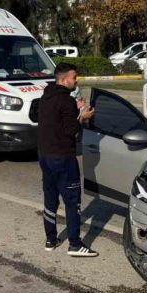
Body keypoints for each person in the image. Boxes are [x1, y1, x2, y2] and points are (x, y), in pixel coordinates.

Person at [37, 62, 98, 257]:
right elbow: (72, 131)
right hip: (63, 157)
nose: (76, 80)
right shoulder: (66, 101)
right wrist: (82, 115)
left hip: (45, 156)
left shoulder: (45, 97)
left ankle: (51, 239)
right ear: (64, 79)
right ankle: (75, 244)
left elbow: (54, 121)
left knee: (50, 198)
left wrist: (75, 111)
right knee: (72, 201)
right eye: (74, 77)